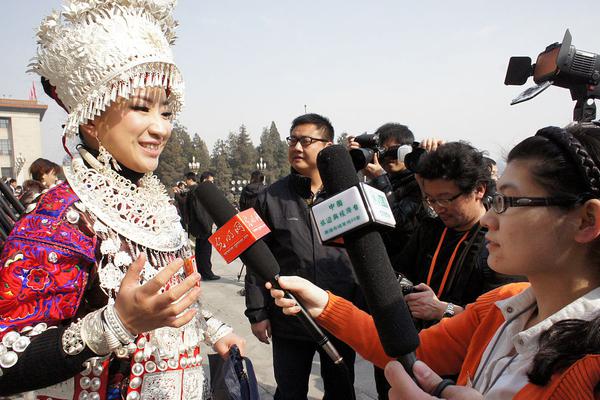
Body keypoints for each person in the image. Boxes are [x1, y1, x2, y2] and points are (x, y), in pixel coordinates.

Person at [0, 1, 244, 398]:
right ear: (91, 118)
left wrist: (215, 329)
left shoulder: (157, 204)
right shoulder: (62, 218)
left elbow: (168, 296)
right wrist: (117, 322)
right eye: (141, 108)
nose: (160, 128)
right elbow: (6, 356)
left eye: (167, 113)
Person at [269, 123, 600, 399]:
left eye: (506, 200)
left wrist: (444, 309)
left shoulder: (590, 369)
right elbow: (408, 352)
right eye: (432, 200)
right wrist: (323, 304)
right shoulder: (501, 306)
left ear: (586, 220)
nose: (489, 221)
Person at [244, 113, 360, 399]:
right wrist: (257, 313)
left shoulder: (349, 194)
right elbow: (254, 258)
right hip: (290, 318)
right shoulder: (268, 197)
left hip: (341, 315)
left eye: (306, 140)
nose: (296, 147)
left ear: (328, 147)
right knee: (290, 391)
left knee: (341, 390)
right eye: (292, 140)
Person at [394, 142, 521, 329]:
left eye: (446, 199)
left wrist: (444, 310)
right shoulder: (430, 229)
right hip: (421, 344)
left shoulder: (501, 241)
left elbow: (502, 316)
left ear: (479, 190)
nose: (438, 208)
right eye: (431, 199)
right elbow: (399, 271)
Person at [188, 171, 220, 280]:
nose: (212, 184)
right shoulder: (199, 192)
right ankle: (207, 273)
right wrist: (207, 225)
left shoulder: (198, 191)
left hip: (201, 226)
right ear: (205, 180)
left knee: (201, 250)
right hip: (203, 227)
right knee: (205, 251)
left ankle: (202, 271)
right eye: (211, 181)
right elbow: (200, 211)